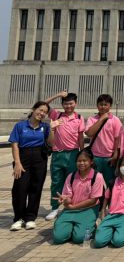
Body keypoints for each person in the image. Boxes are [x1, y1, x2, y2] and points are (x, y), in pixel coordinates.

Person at [10, 101, 55, 231]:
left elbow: (51, 143)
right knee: (20, 188)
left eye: (45, 112)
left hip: (39, 158)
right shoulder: (20, 126)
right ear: (34, 109)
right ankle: (18, 218)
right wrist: (17, 163)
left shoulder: (45, 127)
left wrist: (52, 129)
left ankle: (30, 218)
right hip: (23, 157)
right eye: (40, 110)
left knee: (36, 188)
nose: (42, 113)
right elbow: (14, 144)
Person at [45, 91, 85, 221]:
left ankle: (71, 205)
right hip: (58, 154)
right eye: (66, 104)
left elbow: (80, 137)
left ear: (75, 103)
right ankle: (55, 208)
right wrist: (57, 95)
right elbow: (43, 104)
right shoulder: (57, 115)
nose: (68, 106)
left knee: (73, 182)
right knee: (56, 182)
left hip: (73, 154)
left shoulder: (79, 118)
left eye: (71, 103)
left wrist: (82, 153)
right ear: (62, 105)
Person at [52, 149, 105, 244]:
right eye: (79, 161)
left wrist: (73, 207)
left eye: (84, 160)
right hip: (70, 209)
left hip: (88, 209)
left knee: (80, 238)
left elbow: (93, 200)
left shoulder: (97, 177)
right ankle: (70, 227)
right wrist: (64, 200)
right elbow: (68, 197)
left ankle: (92, 226)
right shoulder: (71, 176)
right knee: (58, 238)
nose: (81, 163)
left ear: (91, 162)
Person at [95, 155, 124, 248]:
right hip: (112, 215)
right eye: (123, 164)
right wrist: (103, 212)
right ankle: (114, 231)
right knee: (98, 242)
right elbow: (106, 197)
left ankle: (122, 231)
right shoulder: (113, 182)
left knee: (118, 242)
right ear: (119, 166)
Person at [85, 94, 122, 184]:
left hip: (109, 157)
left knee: (111, 183)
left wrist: (115, 155)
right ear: (97, 105)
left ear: (110, 106)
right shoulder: (92, 119)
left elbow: (117, 139)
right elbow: (89, 133)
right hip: (94, 157)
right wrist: (101, 119)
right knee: (94, 183)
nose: (103, 107)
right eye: (101, 104)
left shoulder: (115, 120)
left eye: (106, 104)